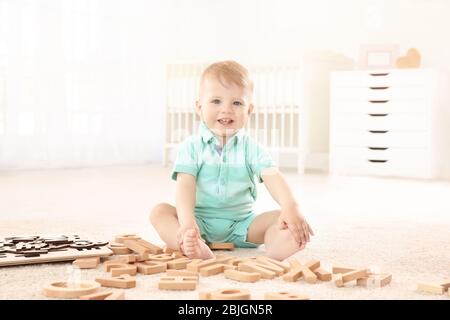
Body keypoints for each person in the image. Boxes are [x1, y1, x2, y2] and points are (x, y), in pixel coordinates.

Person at [150, 60, 313, 261]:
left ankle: (276, 249)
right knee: (160, 212)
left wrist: (291, 207)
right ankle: (191, 244)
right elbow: (185, 187)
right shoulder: (191, 147)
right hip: (198, 223)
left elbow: (272, 176)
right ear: (199, 108)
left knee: (281, 219)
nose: (226, 109)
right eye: (216, 101)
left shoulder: (251, 148)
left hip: (243, 225)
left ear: (249, 110)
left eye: (236, 103)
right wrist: (187, 222)